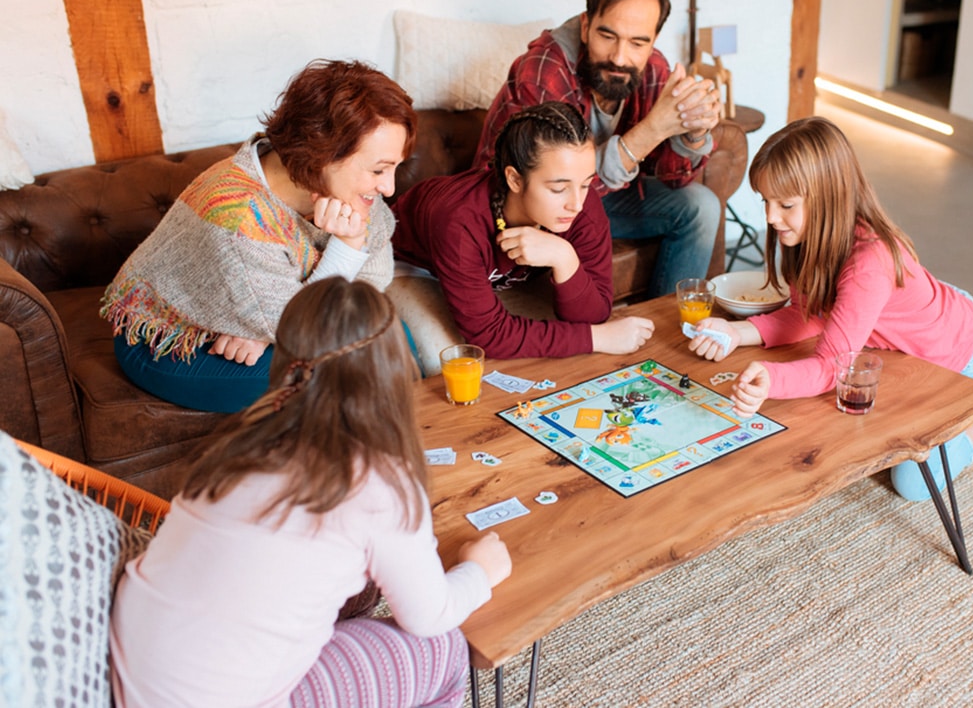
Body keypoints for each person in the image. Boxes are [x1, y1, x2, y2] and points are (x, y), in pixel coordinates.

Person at [109, 277, 512, 707]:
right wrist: (478, 571)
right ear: (393, 370)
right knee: (446, 650)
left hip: (136, 678)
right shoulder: (380, 483)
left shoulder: (237, 443)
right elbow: (430, 617)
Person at [687, 116, 973, 501]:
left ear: (827, 198)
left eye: (785, 204)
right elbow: (808, 315)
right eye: (766, 202)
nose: (770, 218)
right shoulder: (812, 235)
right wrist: (736, 332)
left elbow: (831, 367)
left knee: (914, 485)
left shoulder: (869, 262)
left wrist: (773, 380)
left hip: (956, 348)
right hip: (910, 336)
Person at [101, 59, 416, 412]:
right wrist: (348, 247)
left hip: (276, 316)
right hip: (171, 341)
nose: (388, 188)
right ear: (323, 153)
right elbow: (304, 332)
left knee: (396, 342)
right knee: (346, 373)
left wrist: (265, 330)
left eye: (394, 167)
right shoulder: (238, 218)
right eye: (379, 169)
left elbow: (373, 282)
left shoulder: (351, 189)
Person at [473, 0, 723, 299]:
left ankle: (668, 326)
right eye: (608, 36)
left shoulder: (651, 66)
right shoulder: (545, 67)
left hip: (597, 197)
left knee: (700, 205)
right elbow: (553, 183)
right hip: (529, 204)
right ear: (586, 26)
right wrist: (654, 129)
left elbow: (674, 178)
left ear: (653, 41)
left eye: (638, 42)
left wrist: (694, 131)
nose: (620, 57)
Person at [390, 101, 654, 375]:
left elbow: (594, 314)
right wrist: (600, 339)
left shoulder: (581, 205)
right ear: (515, 180)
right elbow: (490, 336)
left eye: (586, 184)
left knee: (559, 348)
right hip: (413, 267)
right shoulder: (458, 221)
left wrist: (565, 257)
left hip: (499, 279)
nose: (576, 203)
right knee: (454, 362)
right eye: (558, 189)